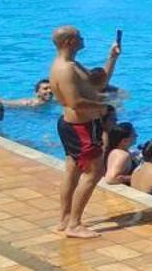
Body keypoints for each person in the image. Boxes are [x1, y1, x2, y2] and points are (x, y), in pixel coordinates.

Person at [49, 24, 120, 238]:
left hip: (75, 126)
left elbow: (97, 83)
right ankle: (74, 224)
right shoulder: (66, 69)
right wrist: (104, 106)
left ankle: (64, 220)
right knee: (94, 172)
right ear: (69, 41)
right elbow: (75, 102)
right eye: (79, 36)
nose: (83, 38)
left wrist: (112, 58)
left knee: (72, 170)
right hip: (81, 127)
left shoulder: (72, 64)